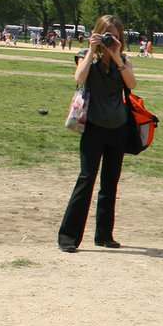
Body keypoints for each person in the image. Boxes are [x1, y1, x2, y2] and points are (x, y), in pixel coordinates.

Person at [58, 15, 136, 252]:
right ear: (98, 33)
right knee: (86, 179)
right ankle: (68, 237)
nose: (110, 38)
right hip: (93, 126)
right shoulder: (86, 55)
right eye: (107, 33)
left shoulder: (122, 59)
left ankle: (104, 235)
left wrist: (116, 56)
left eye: (115, 34)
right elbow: (79, 78)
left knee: (110, 182)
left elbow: (131, 84)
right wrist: (92, 51)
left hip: (118, 127)